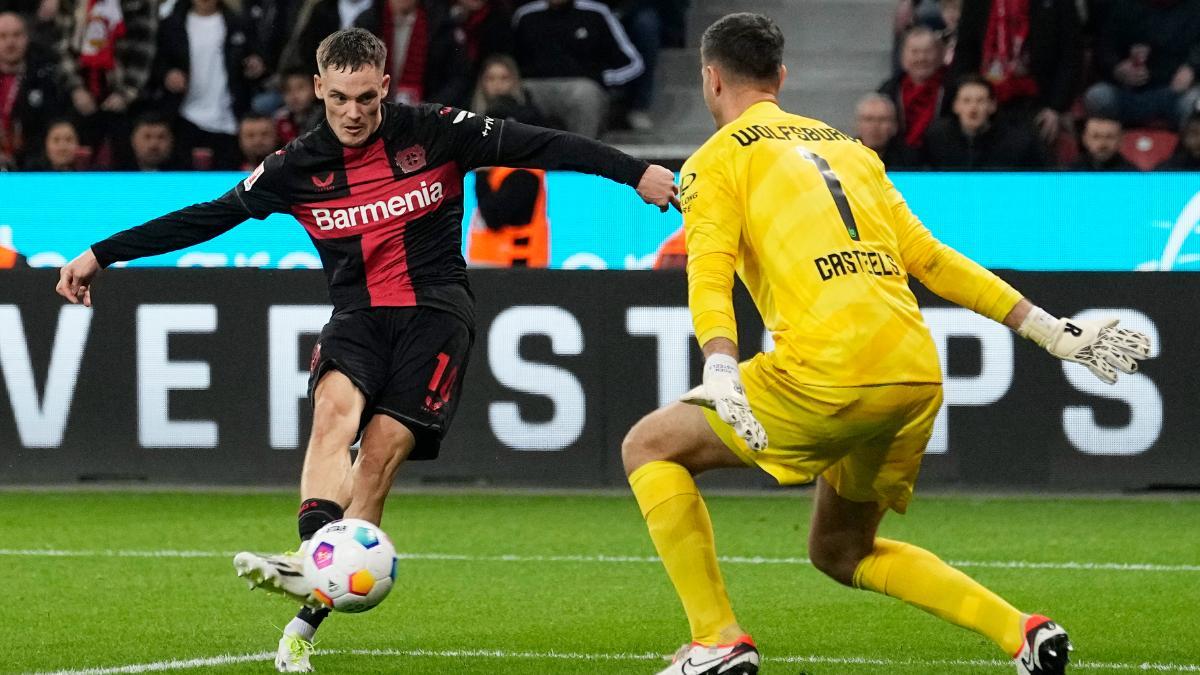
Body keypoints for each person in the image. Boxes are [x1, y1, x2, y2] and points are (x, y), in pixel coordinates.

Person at [54, 27, 677, 674]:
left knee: (379, 453)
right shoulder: (296, 165)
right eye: (338, 99)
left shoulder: (434, 130)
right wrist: (101, 253)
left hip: (436, 313)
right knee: (333, 413)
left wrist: (634, 173)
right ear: (317, 89)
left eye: (364, 98)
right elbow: (207, 216)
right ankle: (309, 558)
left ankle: (305, 617)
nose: (352, 113)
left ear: (384, 86)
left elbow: (543, 145)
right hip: (357, 314)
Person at [621, 13, 1150, 675]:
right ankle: (1023, 631)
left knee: (649, 445)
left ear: (709, 79)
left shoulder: (714, 162)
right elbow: (931, 258)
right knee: (842, 550)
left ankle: (716, 637)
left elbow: (708, 270)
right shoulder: (851, 150)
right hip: (912, 371)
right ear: (781, 78)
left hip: (829, 369)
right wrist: (1051, 329)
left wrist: (721, 363)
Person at [512, 0, 644, 138]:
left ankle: (582, 156)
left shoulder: (596, 13)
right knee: (511, 94)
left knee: (585, 94)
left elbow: (634, 63)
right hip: (534, 86)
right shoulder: (525, 15)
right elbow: (508, 61)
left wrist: (601, 78)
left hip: (582, 87)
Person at [1083, 0, 1200, 128]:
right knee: (1097, 97)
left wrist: (1191, 67)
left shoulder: (1194, 6)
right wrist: (1117, 68)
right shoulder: (1123, 5)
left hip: (1176, 92)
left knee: (1196, 103)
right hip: (1130, 92)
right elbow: (1104, 46)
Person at [922, 73, 1045, 169]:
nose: (973, 108)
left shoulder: (1017, 143)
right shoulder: (937, 138)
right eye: (966, 101)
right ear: (955, 106)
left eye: (980, 101)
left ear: (992, 106)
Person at [0, 11, 64, 169]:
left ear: (27, 38)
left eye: (16, 35)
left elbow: (50, 128)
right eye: (2, 36)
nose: (10, 42)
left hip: (34, 166)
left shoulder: (45, 78)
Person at [877, 26, 947, 152]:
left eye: (927, 52)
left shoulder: (952, 90)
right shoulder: (888, 91)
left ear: (939, 55)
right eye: (914, 52)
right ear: (903, 57)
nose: (921, 58)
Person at [854, 92, 918, 169]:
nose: (875, 126)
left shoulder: (910, 161)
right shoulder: (845, 155)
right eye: (869, 119)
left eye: (882, 120)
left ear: (894, 125)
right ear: (858, 124)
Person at [1068, 116, 1136, 171]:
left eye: (1110, 137)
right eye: (1096, 137)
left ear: (1120, 140)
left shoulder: (1133, 175)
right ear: (1085, 139)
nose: (1102, 143)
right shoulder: (1070, 173)